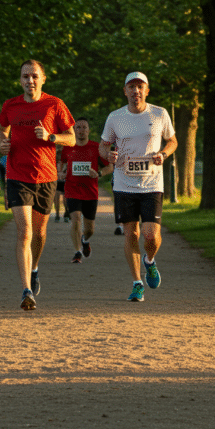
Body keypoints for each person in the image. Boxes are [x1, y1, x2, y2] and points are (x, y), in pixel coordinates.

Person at [0, 60, 75, 310]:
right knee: (25, 232)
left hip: (46, 177)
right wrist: (2, 142)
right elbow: (1, 129)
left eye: (34, 76)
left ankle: (35, 267)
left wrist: (51, 137)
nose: (30, 81)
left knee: (39, 233)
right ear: (20, 80)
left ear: (43, 79)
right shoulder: (11, 105)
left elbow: (72, 139)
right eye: (25, 76)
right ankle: (26, 290)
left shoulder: (55, 104)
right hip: (17, 176)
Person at [99, 71, 177, 302]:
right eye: (131, 87)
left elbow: (172, 141)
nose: (136, 91)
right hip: (124, 183)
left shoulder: (159, 113)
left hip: (152, 183)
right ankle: (137, 283)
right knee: (131, 233)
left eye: (140, 87)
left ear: (147, 90)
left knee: (151, 236)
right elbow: (103, 146)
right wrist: (108, 156)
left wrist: (163, 154)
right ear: (125, 91)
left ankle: (149, 261)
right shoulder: (115, 117)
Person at [61, 117, 112, 263]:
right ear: (74, 130)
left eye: (84, 127)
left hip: (90, 192)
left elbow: (110, 167)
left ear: (89, 130)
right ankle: (77, 252)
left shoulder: (96, 148)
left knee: (90, 230)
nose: (81, 130)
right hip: (72, 190)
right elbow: (62, 165)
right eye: (78, 127)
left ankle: (85, 240)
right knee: (76, 219)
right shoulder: (68, 147)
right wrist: (61, 173)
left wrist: (99, 174)